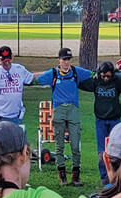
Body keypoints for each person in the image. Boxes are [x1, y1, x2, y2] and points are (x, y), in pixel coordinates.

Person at [35, 48, 93, 185]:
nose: (66, 62)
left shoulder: (76, 71)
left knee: (75, 145)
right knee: (59, 145)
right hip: (59, 110)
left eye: (68, 59)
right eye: (64, 59)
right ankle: (62, 175)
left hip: (73, 110)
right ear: (59, 60)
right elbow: (36, 80)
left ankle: (76, 175)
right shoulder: (53, 73)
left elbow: (92, 74)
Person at [79, 62, 121, 186]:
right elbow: (80, 83)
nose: (106, 79)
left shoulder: (117, 82)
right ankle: (104, 177)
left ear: (112, 74)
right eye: (103, 76)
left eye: (108, 76)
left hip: (115, 121)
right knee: (102, 151)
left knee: (117, 149)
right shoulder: (96, 82)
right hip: (100, 121)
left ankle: (117, 176)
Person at [0, 46, 35, 127]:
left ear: (12, 57)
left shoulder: (19, 68)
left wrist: (50, 72)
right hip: (0, 117)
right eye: (4, 61)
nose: (7, 63)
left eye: (9, 60)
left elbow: (32, 77)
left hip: (17, 117)